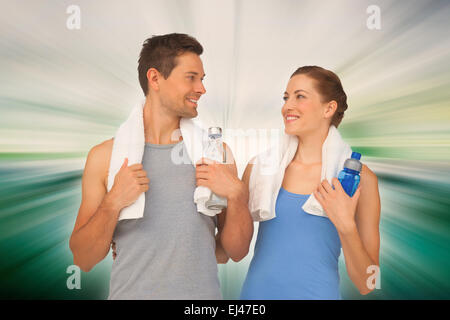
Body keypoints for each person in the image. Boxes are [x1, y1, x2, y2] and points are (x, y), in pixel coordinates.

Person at [69, 33, 252, 299]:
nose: (202, 89)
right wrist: (113, 202)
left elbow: (234, 252)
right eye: (191, 77)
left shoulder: (216, 155)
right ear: (155, 78)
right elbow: (83, 258)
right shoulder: (104, 157)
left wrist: (237, 195)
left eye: (202, 79)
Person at [237, 66, 381, 299]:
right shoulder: (260, 168)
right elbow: (234, 249)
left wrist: (346, 225)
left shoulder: (360, 180)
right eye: (286, 97)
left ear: (329, 108)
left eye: (300, 96)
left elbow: (369, 283)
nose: (287, 106)